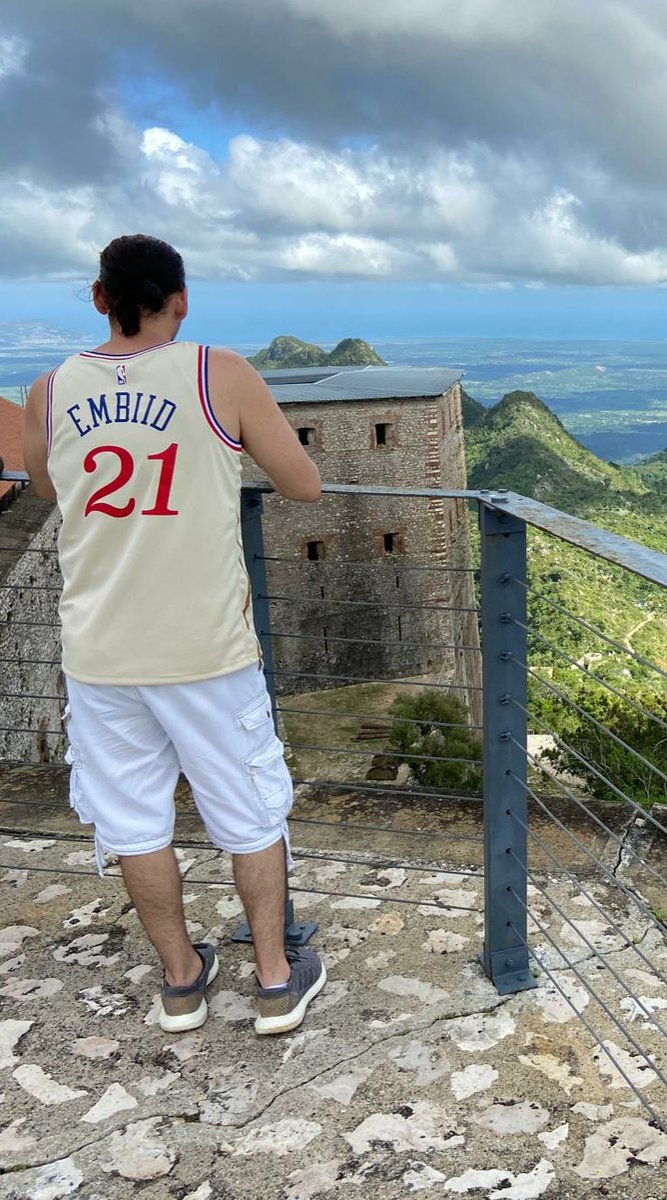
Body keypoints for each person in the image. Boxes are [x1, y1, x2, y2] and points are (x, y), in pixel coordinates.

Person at [21, 234, 325, 1036]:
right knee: (251, 811)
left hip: (99, 651)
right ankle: (272, 980)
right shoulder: (217, 372)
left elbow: (48, 483)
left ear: (98, 298)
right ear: (180, 301)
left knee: (133, 822)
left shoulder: (49, 390)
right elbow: (303, 483)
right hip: (205, 647)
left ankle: (182, 981)